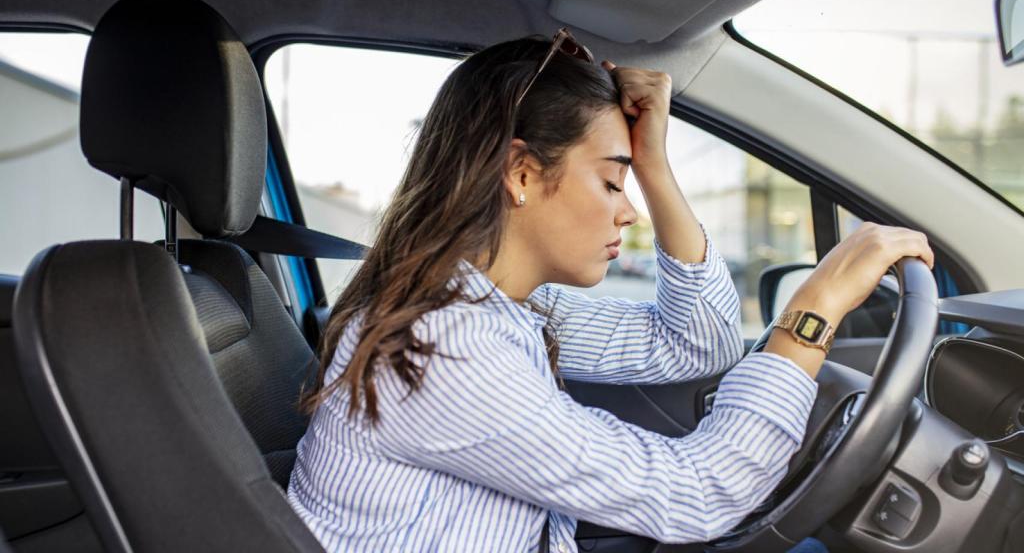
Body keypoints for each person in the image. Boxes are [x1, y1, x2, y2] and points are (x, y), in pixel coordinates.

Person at [285, 29, 934, 552]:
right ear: (520, 172)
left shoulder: (495, 304)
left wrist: (650, 163)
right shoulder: (444, 349)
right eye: (611, 182)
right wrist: (813, 311)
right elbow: (697, 495)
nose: (629, 212)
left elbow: (695, 346)